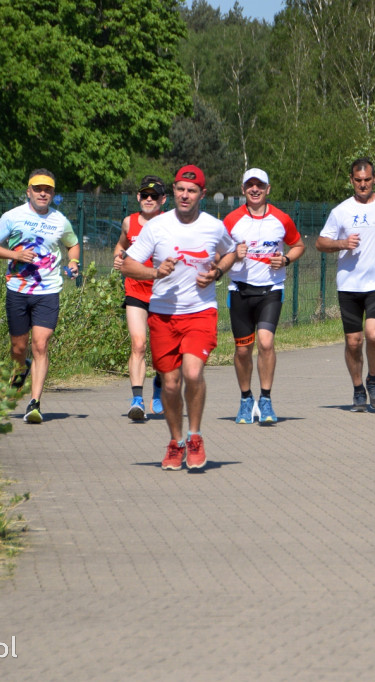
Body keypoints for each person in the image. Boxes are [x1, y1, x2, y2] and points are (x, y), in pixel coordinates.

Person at [120, 165, 236, 470]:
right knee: (170, 385)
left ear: (202, 194)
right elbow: (128, 265)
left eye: (192, 191)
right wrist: (154, 272)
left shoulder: (213, 226)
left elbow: (231, 252)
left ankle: (195, 436)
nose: (185, 196)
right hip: (163, 315)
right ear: (173, 191)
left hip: (200, 312)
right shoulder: (157, 227)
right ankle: (176, 441)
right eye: (181, 189)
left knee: (193, 374)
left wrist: (216, 273)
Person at [0, 169, 80, 424]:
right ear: (28, 191)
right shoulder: (12, 216)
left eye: (47, 189)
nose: (42, 193)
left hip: (48, 291)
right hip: (17, 289)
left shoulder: (60, 221)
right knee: (18, 348)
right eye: (37, 189)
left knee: (40, 344)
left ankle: (34, 403)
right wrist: (14, 255)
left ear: (53, 194)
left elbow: (73, 243)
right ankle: (21, 368)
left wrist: (74, 261)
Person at [316, 157, 375, 412]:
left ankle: (373, 379)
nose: (363, 185)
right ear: (351, 180)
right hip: (349, 284)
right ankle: (358, 388)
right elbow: (321, 243)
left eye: (367, 180)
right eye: (358, 180)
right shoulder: (340, 211)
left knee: (374, 334)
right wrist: (342, 243)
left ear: (374, 179)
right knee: (353, 341)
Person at [223, 168, 305, 424]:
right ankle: (246, 399)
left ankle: (266, 399)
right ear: (243, 189)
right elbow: (216, 254)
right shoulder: (230, 220)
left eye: (260, 185)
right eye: (250, 185)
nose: (255, 190)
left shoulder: (281, 219)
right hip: (240, 290)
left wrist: (286, 259)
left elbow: (299, 244)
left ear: (268, 189)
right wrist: (234, 254)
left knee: (266, 343)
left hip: (271, 290)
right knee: (243, 350)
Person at [112, 176, 167, 421]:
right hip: (135, 290)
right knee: (138, 344)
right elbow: (121, 247)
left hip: (163, 293)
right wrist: (118, 258)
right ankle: (137, 400)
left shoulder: (169, 223)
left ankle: (159, 383)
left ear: (162, 200)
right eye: (144, 195)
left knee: (162, 351)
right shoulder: (129, 222)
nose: (148, 199)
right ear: (138, 197)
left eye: (154, 196)